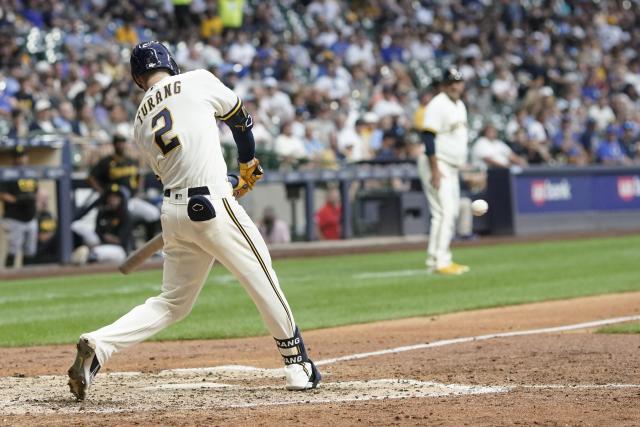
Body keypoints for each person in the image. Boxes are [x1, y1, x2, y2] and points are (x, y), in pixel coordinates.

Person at [67, 41, 320, 401]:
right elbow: (240, 120)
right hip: (211, 203)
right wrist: (247, 165)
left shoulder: (140, 120)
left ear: (139, 78)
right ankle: (298, 365)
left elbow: (178, 168)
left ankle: (100, 344)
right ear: (169, 62)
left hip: (174, 212)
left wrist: (232, 181)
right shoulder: (197, 79)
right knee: (262, 276)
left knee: (171, 303)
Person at [417, 68, 470, 275]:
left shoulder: (459, 105)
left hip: (451, 165)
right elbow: (428, 137)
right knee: (444, 211)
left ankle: (437, 259)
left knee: (450, 211)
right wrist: (435, 169)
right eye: (451, 83)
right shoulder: (438, 104)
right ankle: (440, 261)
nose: (455, 86)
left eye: (458, 82)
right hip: (437, 163)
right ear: (443, 85)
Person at [88, 134, 160, 241]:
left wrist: (138, 190)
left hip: (132, 199)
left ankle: (148, 244)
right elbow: (91, 178)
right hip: (117, 203)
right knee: (127, 217)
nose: (121, 145)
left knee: (153, 214)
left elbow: (139, 176)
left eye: (123, 143)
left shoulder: (131, 160)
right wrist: (103, 192)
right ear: (114, 144)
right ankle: (128, 246)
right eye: (118, 143)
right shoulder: (107, 162)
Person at [70, 184, 130, 265]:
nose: (112, 200)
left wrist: (104, 237)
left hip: (119, 249)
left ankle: (85, 256)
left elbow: (120, 240)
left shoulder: (125, 215)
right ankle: (76, 251)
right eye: (110, 197)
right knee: (75, 225)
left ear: (120, 199)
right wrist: (104, 237)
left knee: (97, 252)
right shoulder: (102, 212)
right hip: (99, 242)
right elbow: (97, 232)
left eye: (115, 197)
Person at [0, 145, 38, 268]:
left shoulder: (31, 173)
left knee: (30, 250)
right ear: (13, 159)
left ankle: (28, 276)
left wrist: (32, 198)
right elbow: (2, 193)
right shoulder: (7, 174)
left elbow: (36, 191)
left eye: (22, 156)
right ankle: (9, 277)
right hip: (14, 217)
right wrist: (17, 200)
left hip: (30, 216)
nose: (20, 159)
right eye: (17, 157)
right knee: (13, 249)